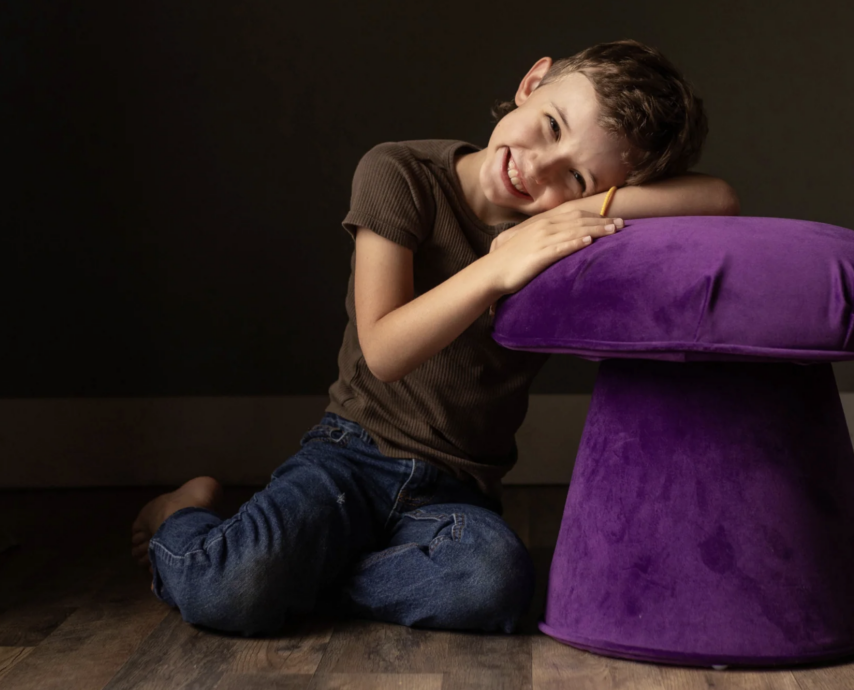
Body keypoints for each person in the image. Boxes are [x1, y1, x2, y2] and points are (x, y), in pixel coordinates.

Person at [130, 39, 740, 637]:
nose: (537, 168)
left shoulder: (553, 231)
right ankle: (180, 514)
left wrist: (565, 214)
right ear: (532, 82)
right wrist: (498, 268)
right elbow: (385, 351)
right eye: (551, 126)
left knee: (494, 583)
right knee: (227, 588)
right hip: (351, 457)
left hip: (457, 492)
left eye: (576, 176)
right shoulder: (400, 173)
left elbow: (718, 197)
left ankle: (302, 574)